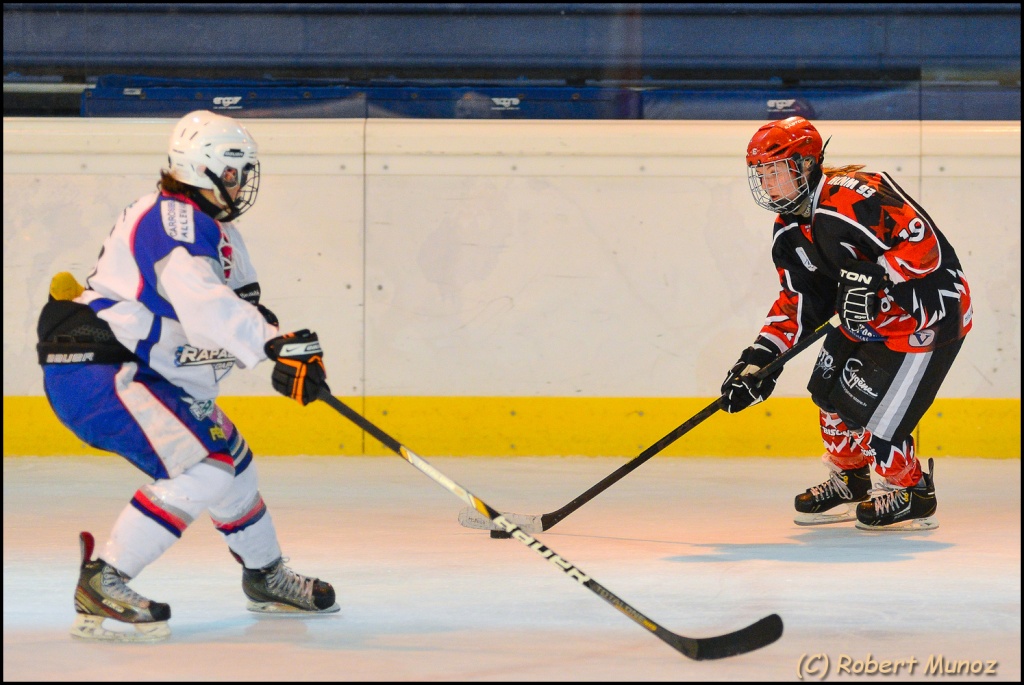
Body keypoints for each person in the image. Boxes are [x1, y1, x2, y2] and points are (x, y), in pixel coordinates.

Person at [36, 110, 337, 642]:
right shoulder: (175, 219)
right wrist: (270, 346)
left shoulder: (214, 229)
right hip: (103, 370)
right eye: (234, 170)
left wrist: (286, 351)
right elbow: (204, 307)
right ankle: (103, 580)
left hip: (136, 370)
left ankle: (264, 576)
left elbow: (243, 311)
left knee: (234, 465)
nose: (241, 183)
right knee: (206, 467)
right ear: (203, 169)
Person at [720, 116, 972, 531]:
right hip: (862, 320)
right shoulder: (787, 232)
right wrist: (759, 360)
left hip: (924, 319)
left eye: (775, 171)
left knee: (873, 423)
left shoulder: (855, 196)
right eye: (760, 173)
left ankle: (913, 491)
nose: (766, 183)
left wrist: (881, 273)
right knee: (827, 395)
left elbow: (923, 243)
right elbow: (799, 303)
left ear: (804, 165)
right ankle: (851, 479)